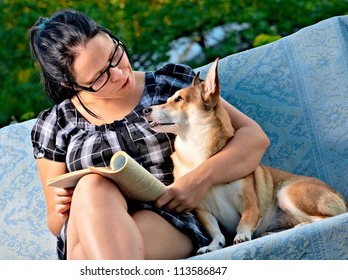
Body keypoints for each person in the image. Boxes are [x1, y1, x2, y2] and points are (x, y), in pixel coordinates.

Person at [29, 9, 270, 260]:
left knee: (86, 258)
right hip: (87, 222)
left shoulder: (171, 86)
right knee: (91, 185)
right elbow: (56, 224)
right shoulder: (55, 124)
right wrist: (62, 207)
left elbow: (253, 137)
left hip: (168, 218)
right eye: (100, 76)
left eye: (115, 55)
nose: (119, 74)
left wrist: (199, 180)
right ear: (71, 85)